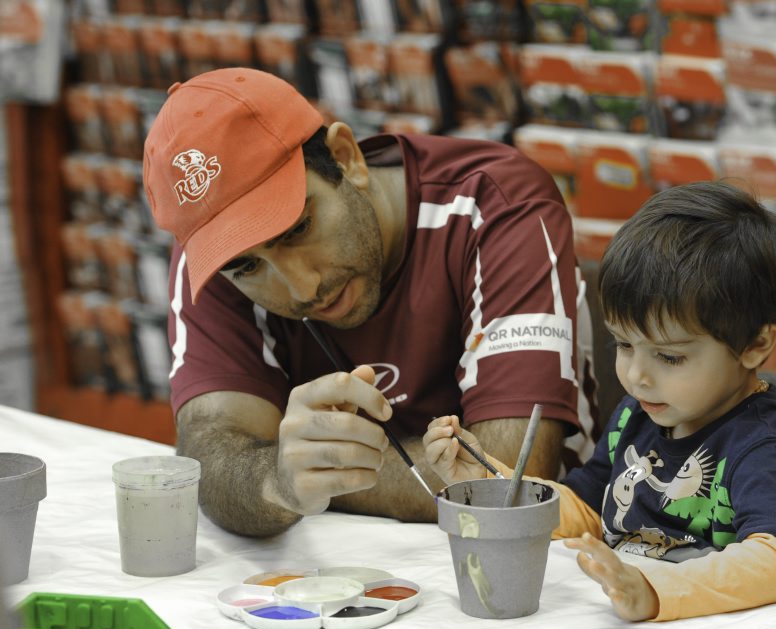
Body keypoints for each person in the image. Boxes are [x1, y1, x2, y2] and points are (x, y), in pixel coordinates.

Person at [142, 68, 598, 537]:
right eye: (249, 268)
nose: (302, 289)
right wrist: (280, 477)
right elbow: (210, 460)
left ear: (346, 158)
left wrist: (296, 477)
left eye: (299, 229)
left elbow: (507, 480)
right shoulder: (215, 257)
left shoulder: (496, 203)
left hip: (540, 563)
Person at [424, 181, 776, 621]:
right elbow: (585, 510)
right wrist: (488, 479)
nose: (637, 376)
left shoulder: (759, 445)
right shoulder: (638, 414)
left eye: (669, 356)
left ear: (755, 344)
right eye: (623, 344)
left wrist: (659, 589)